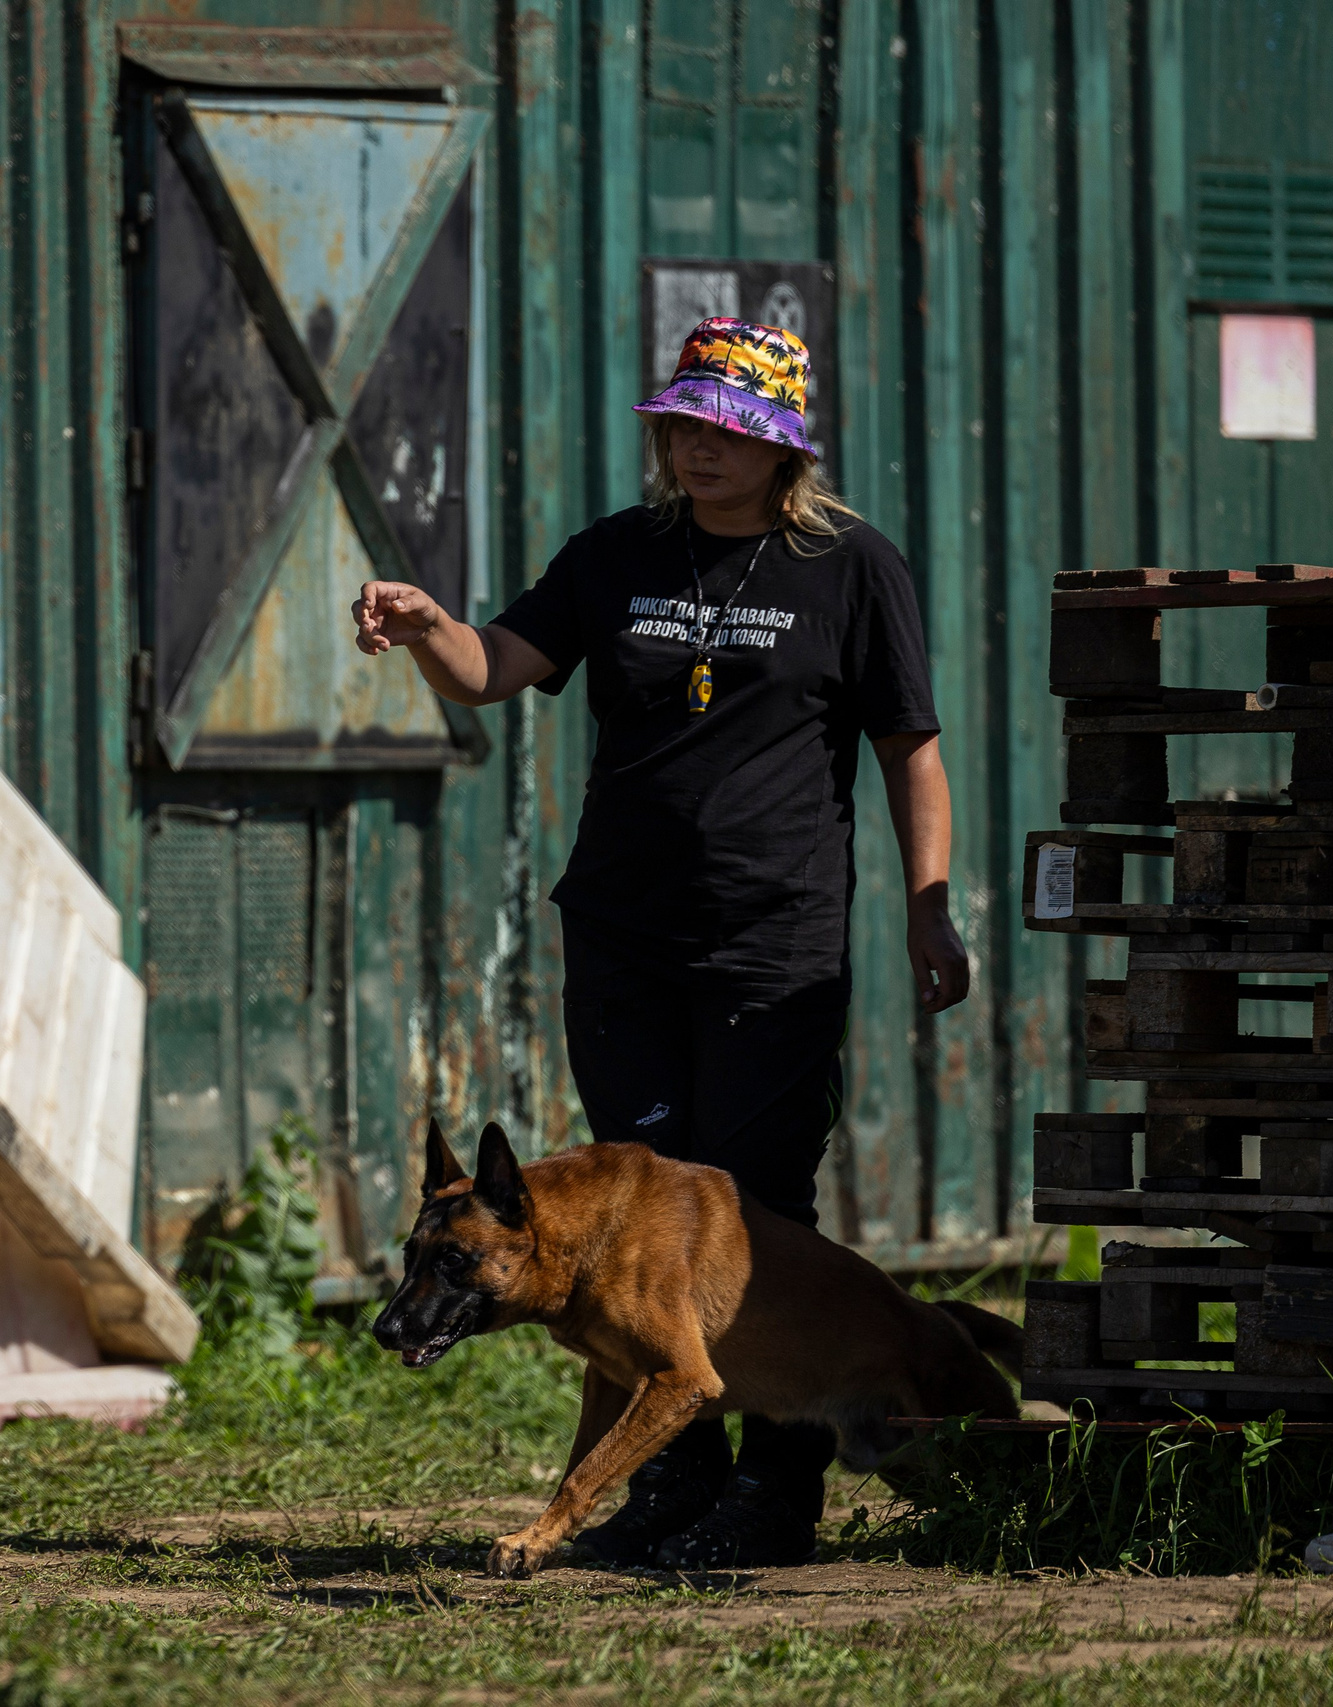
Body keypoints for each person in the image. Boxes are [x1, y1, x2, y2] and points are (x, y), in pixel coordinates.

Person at [351, 316, 971, 1568]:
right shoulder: (617, 554)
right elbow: (492, 669)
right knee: (636, 1233)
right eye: (682, 425)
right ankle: (674, 1483)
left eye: (725, 432)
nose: (696, 449)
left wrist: (928, 901)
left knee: (759, 1212)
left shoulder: (852, 569)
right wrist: (425, 624)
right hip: (624, 935)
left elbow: (911, 746)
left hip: (773, 942)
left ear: (781, 448)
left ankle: (777, 1490)